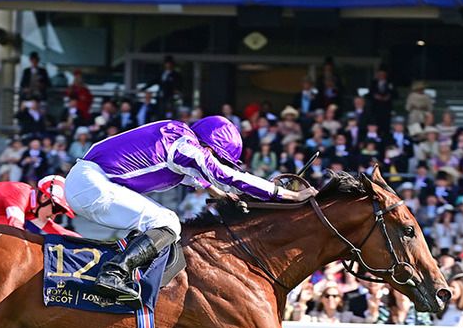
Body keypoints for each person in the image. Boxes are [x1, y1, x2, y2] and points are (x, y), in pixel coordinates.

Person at [64, 116, 306, 302]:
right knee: (167, 221)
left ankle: (128, 273)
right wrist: (287, 194)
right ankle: (114, 274)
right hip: (92, 185)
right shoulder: (185, 146)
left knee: (161, 222)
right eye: (218, 157)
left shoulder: (175, 134)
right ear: (208, 146)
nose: (216, 162)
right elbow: (226, 175)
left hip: (88, 180)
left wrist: (216, 193)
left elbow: (186, 173)